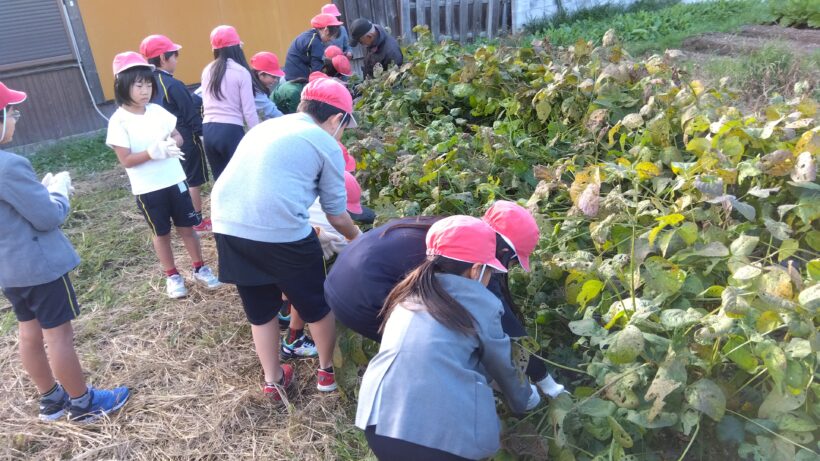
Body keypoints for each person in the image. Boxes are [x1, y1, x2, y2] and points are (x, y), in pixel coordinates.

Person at [211, 77, 361, 400]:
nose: (342, 133)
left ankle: (273, 380)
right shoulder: (327, 144)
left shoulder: (267, 127)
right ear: (337, 119)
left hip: (227, 223)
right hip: (281, 230)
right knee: (319, 305)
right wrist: (358, 238)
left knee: (260, 310)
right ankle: (326, 373)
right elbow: (336, 213)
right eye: (345, 126)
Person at [324, 201, 566, 397]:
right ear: (504, 253)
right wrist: (544, 380)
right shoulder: (477, 260)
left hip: (341, 275)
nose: (508, 269)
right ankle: (422, 392)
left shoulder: (456, 231)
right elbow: (503, 326)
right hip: (358, 299)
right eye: (512, 262)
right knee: (440, 344)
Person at [356, 215, 539, 461]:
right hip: (438, 440)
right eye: (490, 269)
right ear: (476, 270)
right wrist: (525, 400)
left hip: (378, 423)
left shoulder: (408, 293)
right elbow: (503, 366)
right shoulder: (482, 304)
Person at [0, 81, 130, 423]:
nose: (16, 118)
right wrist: (58, 193)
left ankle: (51, 400)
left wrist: (37, 193)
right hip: (40, 267)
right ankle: (83, 403)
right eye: (12, 113)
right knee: (59, 336)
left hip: (9, 269)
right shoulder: (9, 165)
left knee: (28, 332)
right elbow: (47, 217)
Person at [106, 52, 221, 298]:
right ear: (122, 85)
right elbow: (126, 160)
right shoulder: (119, 121)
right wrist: (151, 152)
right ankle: (172, 275)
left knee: (187, 228)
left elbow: (177, 135)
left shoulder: (157, 112)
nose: (145, 90)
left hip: (175, 180)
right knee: (161, 233)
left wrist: (172, 143)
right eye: (138, 85)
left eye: (148, 84)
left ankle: (200, 267)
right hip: (148, 189)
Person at [139, 34, 212, 233]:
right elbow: (190, 115)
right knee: (193, 180)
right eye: (175, 55)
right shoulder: (173, 84)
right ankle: (197, 220)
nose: (176, 60)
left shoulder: (144, 84)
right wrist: (203, 135)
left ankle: (185, 219)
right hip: (184, 138)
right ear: (163, 58)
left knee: (178, 178)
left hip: (160, 141)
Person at [201, 25, 259, 179]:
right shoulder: (241, 72)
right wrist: (258, 136)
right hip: (230, 130)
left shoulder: (207, 70)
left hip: (208, 130)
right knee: (240, 178)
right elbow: (249, 111)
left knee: (220, 180)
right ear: (236, 47)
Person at [283, 14, 343, 81]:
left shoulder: (310, 35)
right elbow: (317, 71)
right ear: (326, 30)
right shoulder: (315, 42)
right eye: (331, 37)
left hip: (290, 76)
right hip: (297, 80)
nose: (331, 40)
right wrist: (332, 80)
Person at [249, 51, 285, 121]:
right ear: (261, 74)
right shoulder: (254, 91)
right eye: (273, 77)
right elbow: (272, 112)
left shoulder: (254, 83)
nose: (275, 80)